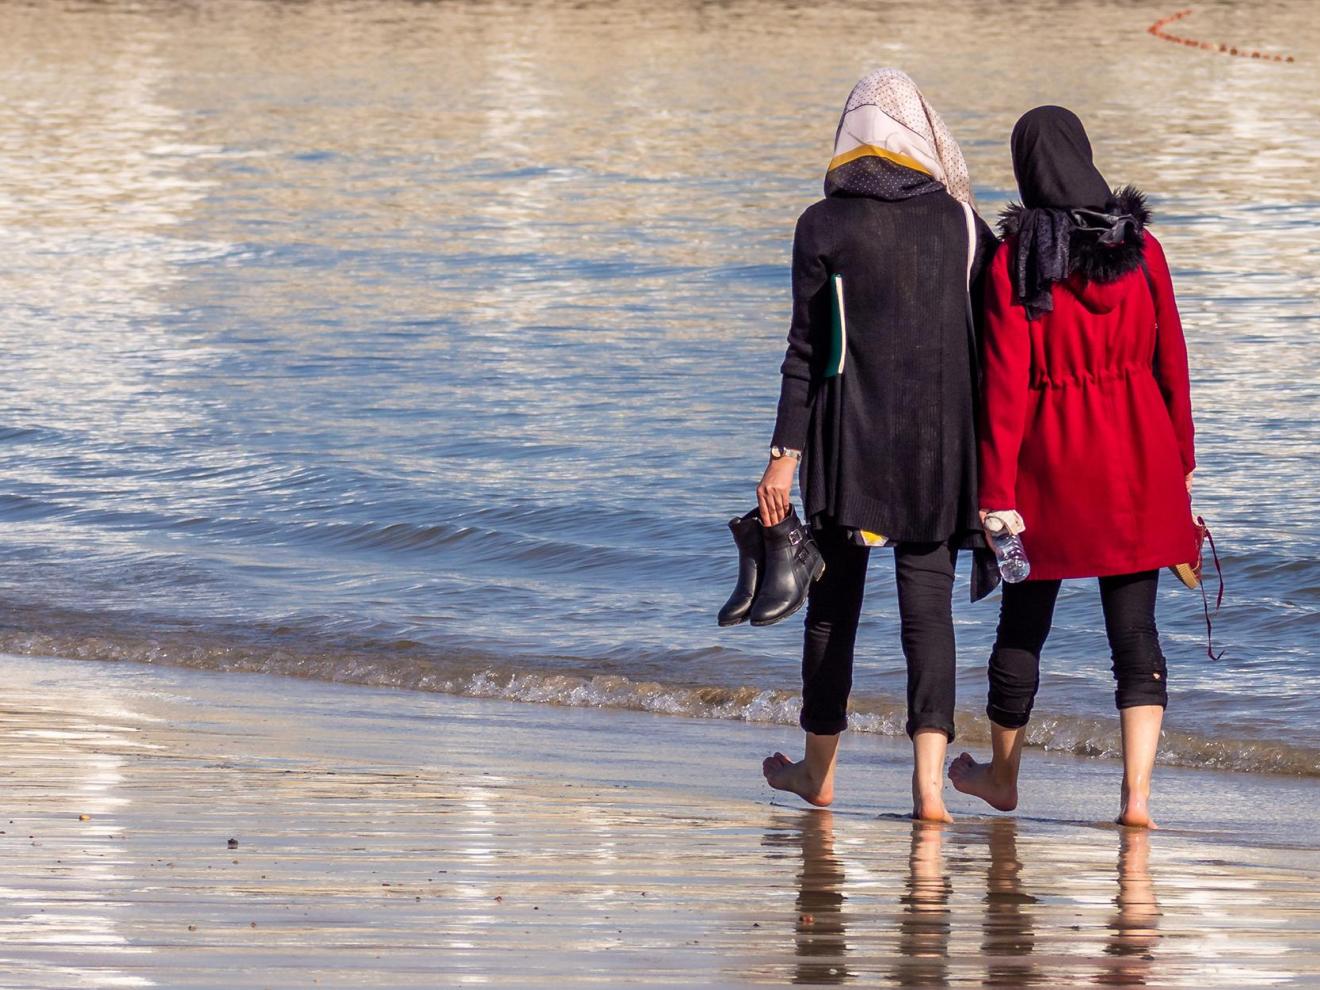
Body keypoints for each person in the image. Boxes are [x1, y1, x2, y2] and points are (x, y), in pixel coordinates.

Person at [758, 69, 998, 822]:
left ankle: (817, 772)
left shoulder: (822, 224)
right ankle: (930, 790)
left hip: (848, 445)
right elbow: (991, 346)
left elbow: (807, 351)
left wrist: (783, 455)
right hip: (940, 449)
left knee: (833, 609)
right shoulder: (965, 224)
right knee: (929, 613)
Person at [949, 106, 1198, 829]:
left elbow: (1003, 386)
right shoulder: (1142, 248)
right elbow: (1171, 361)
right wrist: (1182, 461)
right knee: (1136, 633)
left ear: (1029, 170)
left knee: (1023, 625)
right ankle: (1137, 801)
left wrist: (995, 492)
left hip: (1047, 466)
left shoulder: (1013, 260)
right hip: (1140, 459)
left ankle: (1002, 777)